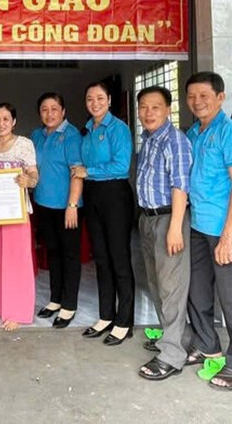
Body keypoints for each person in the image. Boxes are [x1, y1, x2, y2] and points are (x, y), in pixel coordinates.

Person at [185, 71, 232, 391]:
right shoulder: (194, 133)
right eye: (192, 97)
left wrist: (228, 235)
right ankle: (207, 345)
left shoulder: (231, 131)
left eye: (204, 95)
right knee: (197, 291)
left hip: (227, 230)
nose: (197, 102)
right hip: (198, 225)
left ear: (220, 97)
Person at [133, 86, 193, 381]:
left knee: (171, 287)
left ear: (168, 109)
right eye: (143, 107)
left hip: (170, 218)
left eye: (155, 107)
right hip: (148, 218)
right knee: (156, 283)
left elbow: (180, 186)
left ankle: (171, 355)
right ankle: (176, 339)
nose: (148, 113)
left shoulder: (174, 141)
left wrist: (175, 228)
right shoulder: (148, 140)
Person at [72, 81, 136, 346]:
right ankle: (106, 315)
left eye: (99, 98)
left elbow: (122, 165)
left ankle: (124, 321)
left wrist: (89, 172)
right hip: (93, 196)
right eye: (89, 99)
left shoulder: (119, 129)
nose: (94, 103)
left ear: (109, 100)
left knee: (119, 259)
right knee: (101, 258)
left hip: (115, 196)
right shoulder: (87, 130)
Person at [30, 92, 83, 329]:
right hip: (43, 204)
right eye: (44, 109)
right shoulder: (36, 136)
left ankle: (69, 304)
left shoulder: (71, 136)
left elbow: (77, 173)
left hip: (67, 208)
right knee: (52, 253)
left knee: (69, 256)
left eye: (54, 108)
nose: (49, 113)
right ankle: (55, 299)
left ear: (63, 112)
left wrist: (72, 205)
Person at [0, 103, 38, 331]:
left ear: (14, 121)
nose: (1, 123)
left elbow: (34, 173)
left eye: (6, 119)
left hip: (16, 211)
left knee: (18, 261)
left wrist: (30, 181)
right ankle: (1, 306)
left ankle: (18, 311)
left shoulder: (24, 144)